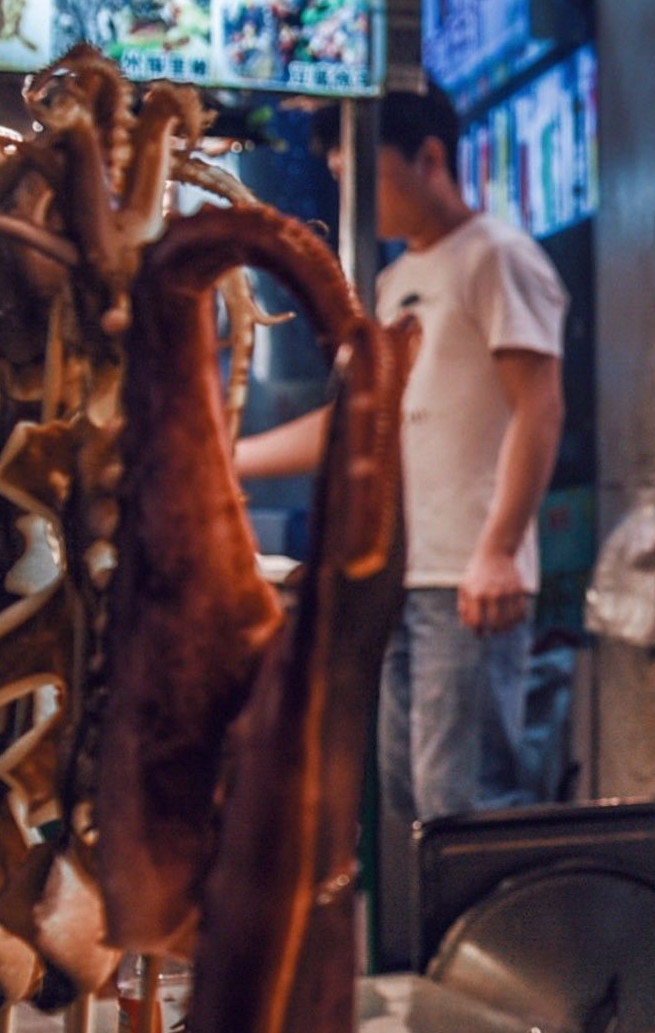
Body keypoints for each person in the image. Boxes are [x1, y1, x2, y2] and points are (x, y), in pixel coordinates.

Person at [239, 88, 570, 830]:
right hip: (398, 576)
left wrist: (499, 551)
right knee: (406, 792)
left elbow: (540, 408)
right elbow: (355, 426)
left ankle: (498, 946)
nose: (349, 186)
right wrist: (223, 460)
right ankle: (443, 949)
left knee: (465, 803)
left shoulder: (497, 255)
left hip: (466, 575)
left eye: (366, 171)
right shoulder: (395, 284)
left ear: (430, 159)